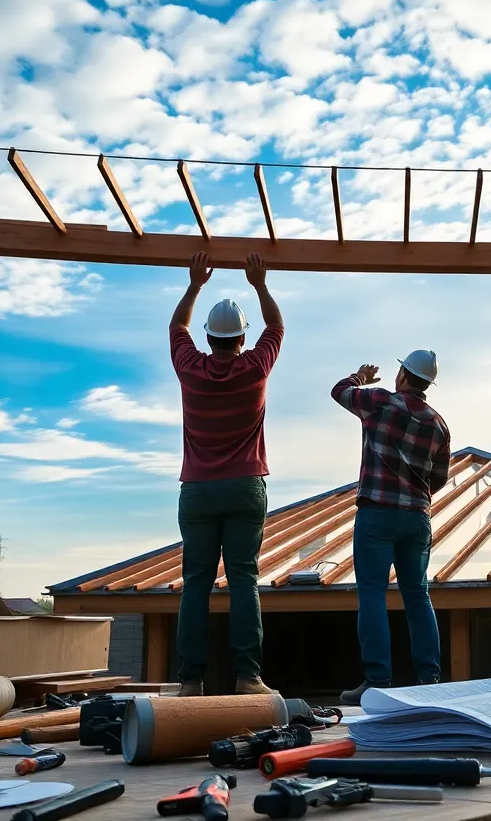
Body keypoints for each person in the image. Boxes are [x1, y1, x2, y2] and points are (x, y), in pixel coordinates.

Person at [170, 251, 283, 697]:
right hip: (244, 487)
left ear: (209, 337)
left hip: (197, 490)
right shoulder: (255, 368)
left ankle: (190, 682)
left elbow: (177, 328)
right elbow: (276, 328)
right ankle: (248, 677)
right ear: (241, 337)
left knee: (195, 583)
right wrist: (260, 284)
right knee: (243, 579)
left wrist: (195, 284)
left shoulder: (190, 368)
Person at [332, 350, 451, 705]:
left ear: (402, 375)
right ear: (428, 382)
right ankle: (429, 678)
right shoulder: (439, 423)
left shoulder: (380, 401)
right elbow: (440, 479)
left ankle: (377, 681)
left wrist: (359, 377)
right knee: (418, 595)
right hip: (417, 517)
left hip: (377, 513)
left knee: (372, 594)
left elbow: (339, 391)